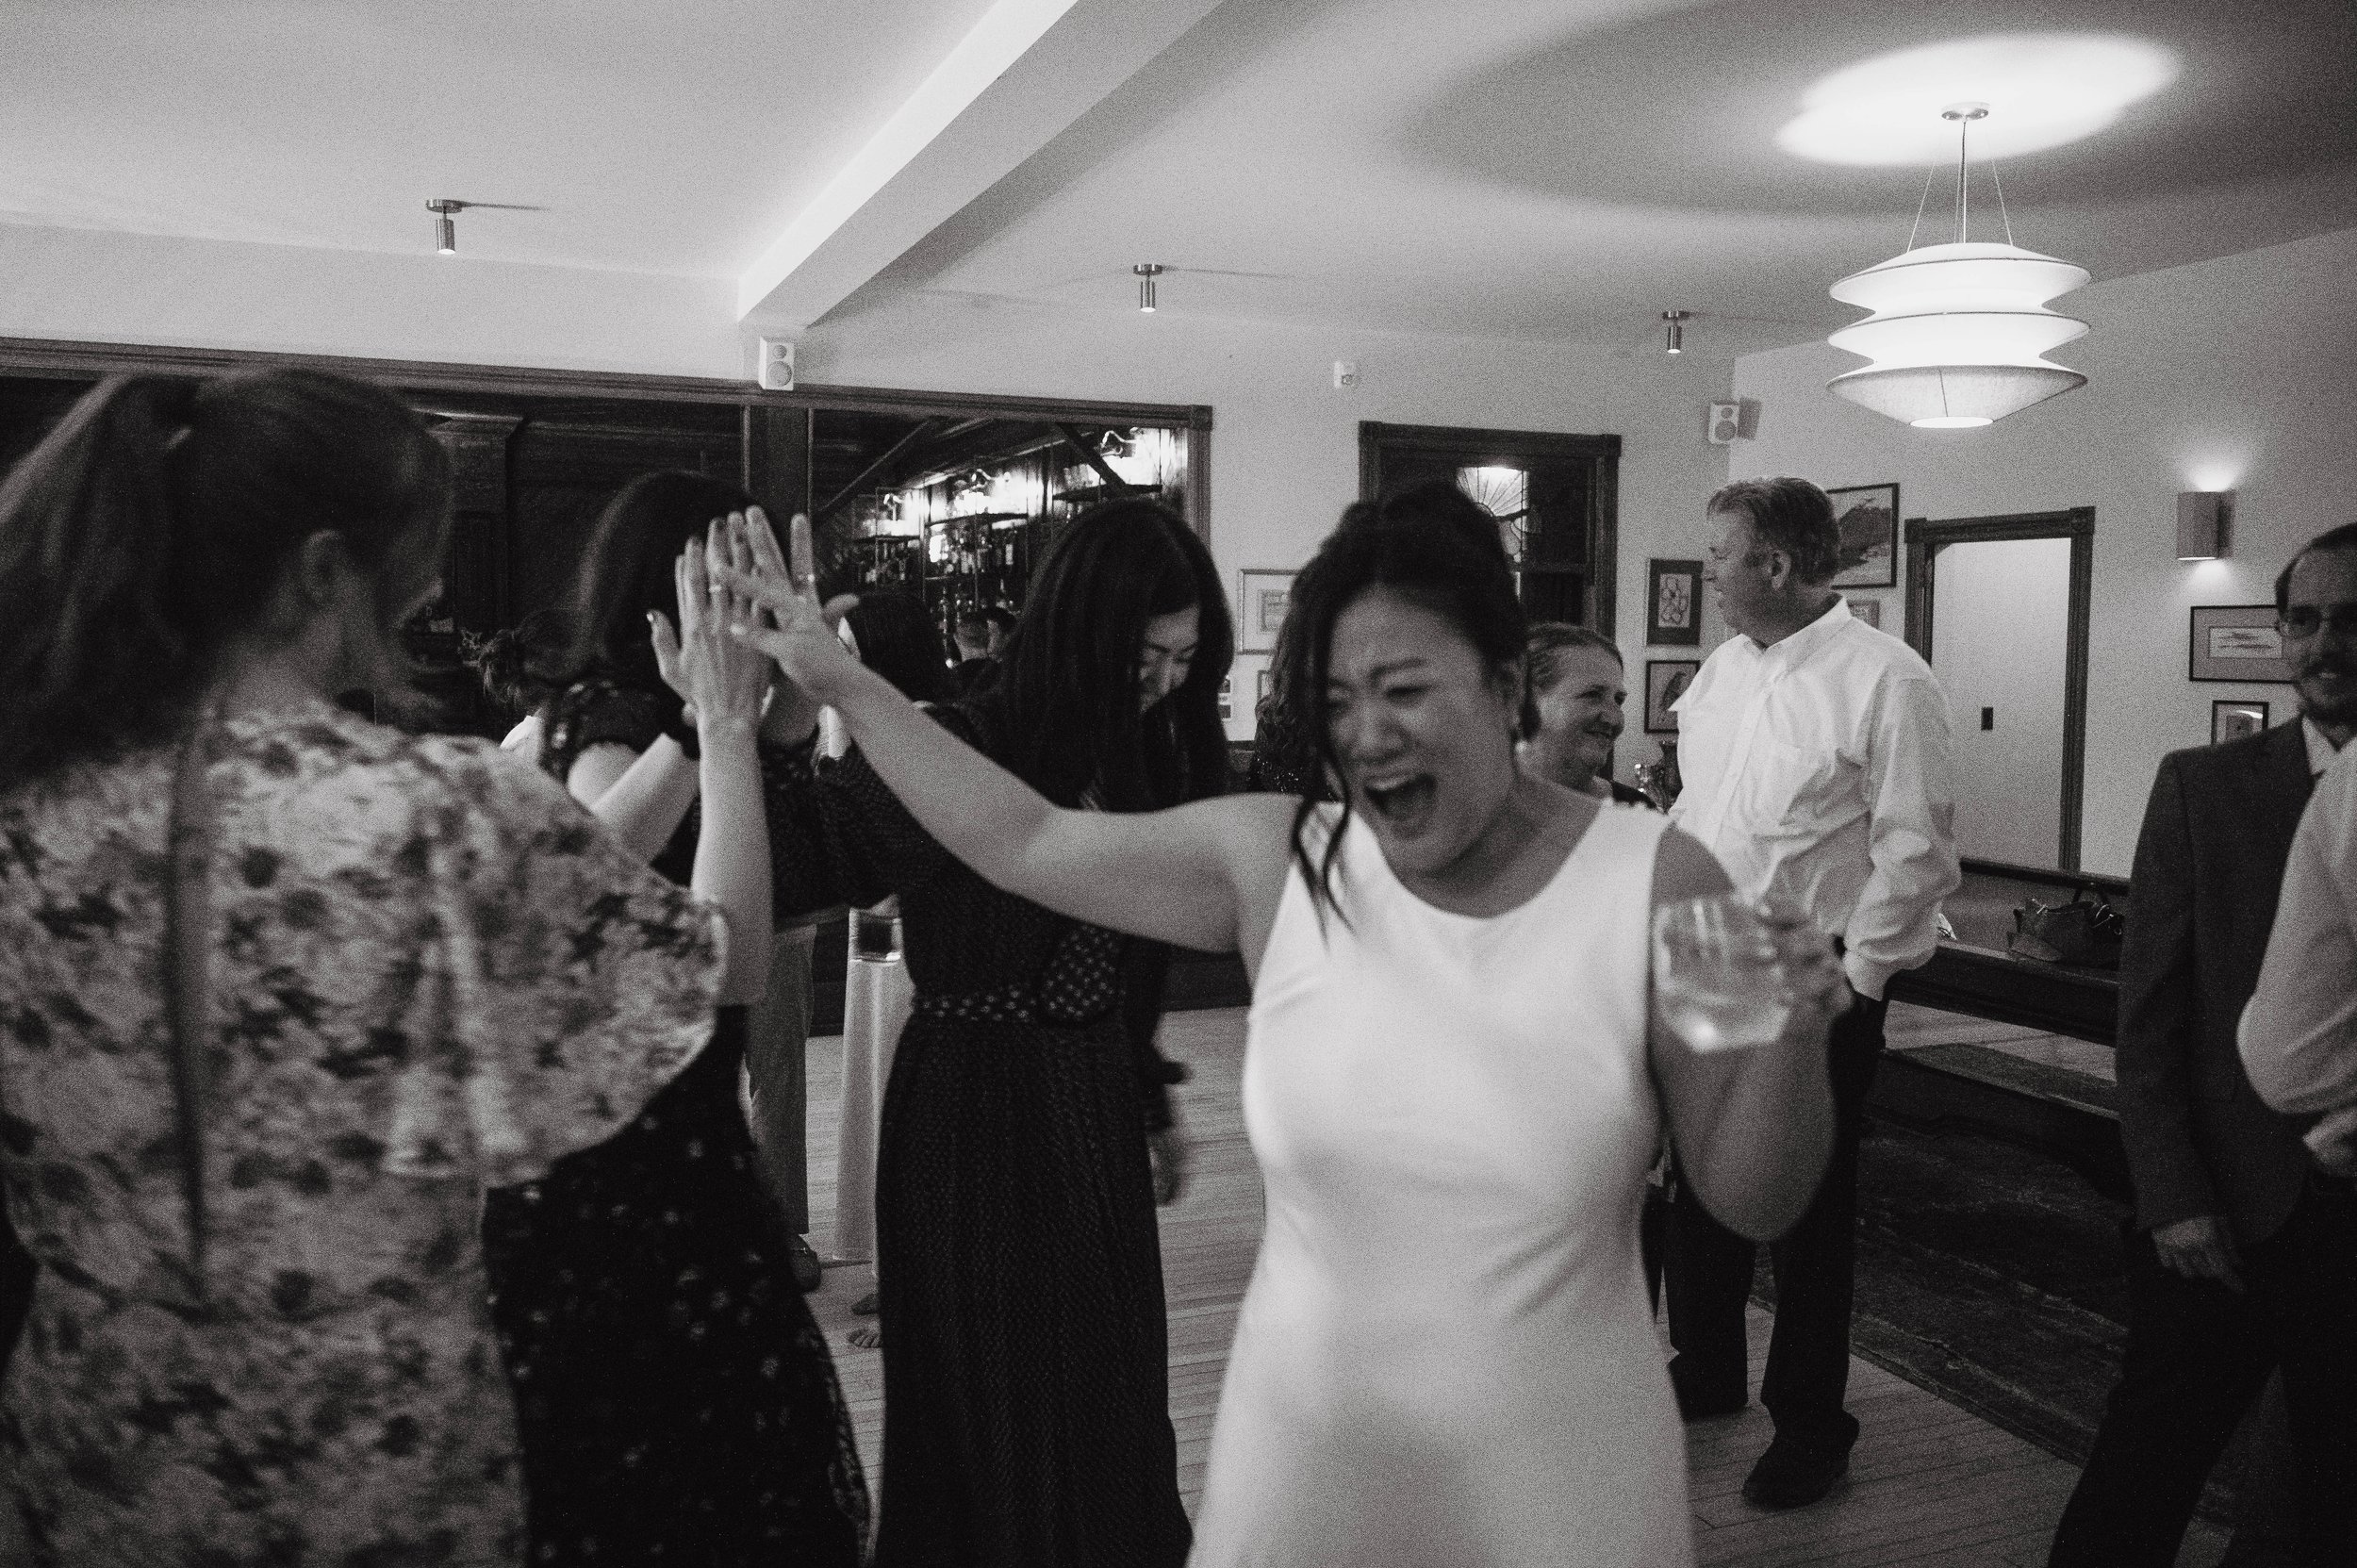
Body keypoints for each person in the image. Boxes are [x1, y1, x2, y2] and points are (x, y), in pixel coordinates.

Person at [725, 483, 1847, 1567]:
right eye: (1334, 699)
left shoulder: (1662, 879)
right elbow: (1017, 837)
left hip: (1553, 1463)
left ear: (1506, 683)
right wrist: (835, 686)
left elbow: (1751, 1197)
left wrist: (1790, 1036)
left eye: (1402, 689)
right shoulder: (1276, 858)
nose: (1366, 737)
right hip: (1302, 1447)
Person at [0, 369, 776, 1562]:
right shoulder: (432, 810)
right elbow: (717, 968)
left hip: (99, 1407)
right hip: (363, 1433)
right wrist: (722, 726)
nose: (435, 588)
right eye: (418, 554)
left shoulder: (32, 804)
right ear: (321, 570)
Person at [751, 499, 1214, 1568]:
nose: (1164, 681)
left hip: (1088, 1089)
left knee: (1107, 1390)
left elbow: (1130, 953)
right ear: (1078, 631)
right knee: (990, 1390)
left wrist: (1146, 1087)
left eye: (1186, 659)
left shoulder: (1140, 752)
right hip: (975, 1098)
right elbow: (805, 860)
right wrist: (781, 719)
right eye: (1146, 654)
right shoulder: (960, 739)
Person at [474, 470, 865, 1566]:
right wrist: (722, 728)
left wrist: (791, 716)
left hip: (677, 1178)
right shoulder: (609, 731)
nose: (776, 607)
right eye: (752, 588)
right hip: (616, 1209)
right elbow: (723, 961)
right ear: (684, 603)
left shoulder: (682, 727)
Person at [2045, 524, 2357, 1565]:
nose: (2325, 644)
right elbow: (2151, 1017)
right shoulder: (2206, 786)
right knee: (2142, 1472)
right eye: (2304, 619)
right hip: (2227, 1207)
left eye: (2352, 620)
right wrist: (2171, 1191)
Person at [1663, 475, 1960, 1509]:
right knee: (1699, 1179)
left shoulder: (1884, 676)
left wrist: (1863, 980)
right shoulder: (1723, 671)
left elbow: (1914, 848)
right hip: (1711, 947)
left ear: (1775, 566)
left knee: (1804, 1211)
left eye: (1717, 557)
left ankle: (1812, 1425)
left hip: (1811, 964)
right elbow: (1703, 807)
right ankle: (1704, 1370)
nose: (1706, 575)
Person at [1524, 622, 1649, 806]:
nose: (1614, 719)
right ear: (1526, 701)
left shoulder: (1636, 811)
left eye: (1618, 700)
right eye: (1592, 695)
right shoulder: (1477, 813)